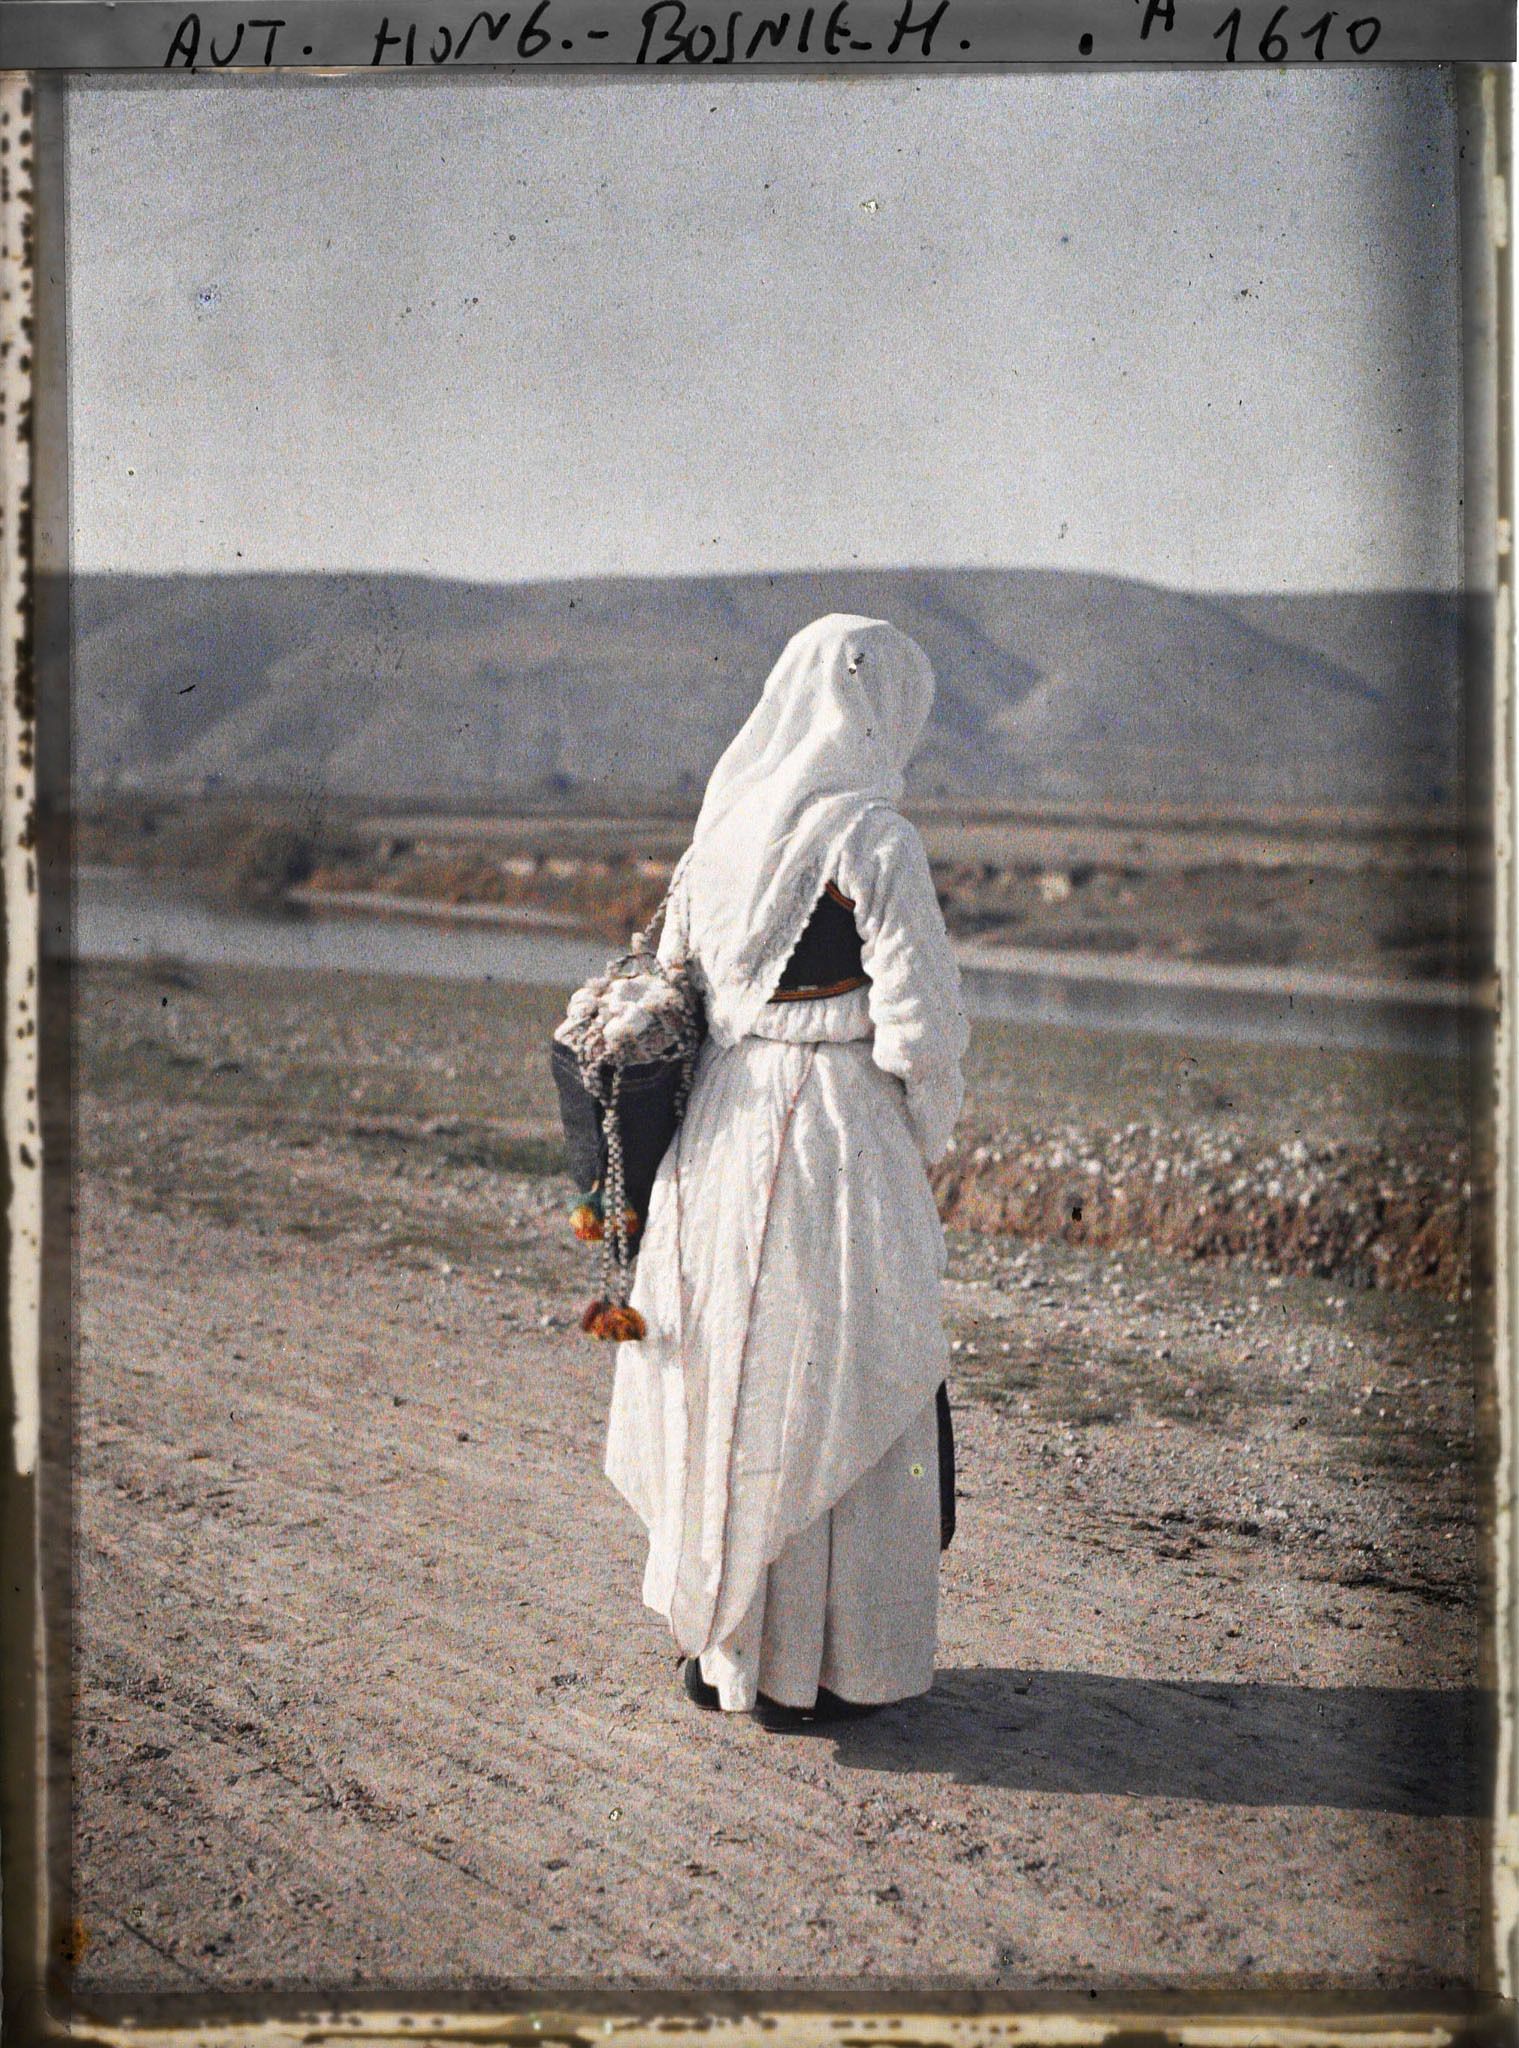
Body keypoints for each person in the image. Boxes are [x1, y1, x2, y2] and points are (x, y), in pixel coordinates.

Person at [604, 612, 968, 1725]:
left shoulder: (720, 832)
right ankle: (828, 1663)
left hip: (721, 1123)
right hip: (832, 1129)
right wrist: (925, 1132)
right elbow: (918, 1022)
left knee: (726, 1366)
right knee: (830, 1364)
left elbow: (672, 984)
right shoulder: (874, 838)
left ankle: (721, 1649)